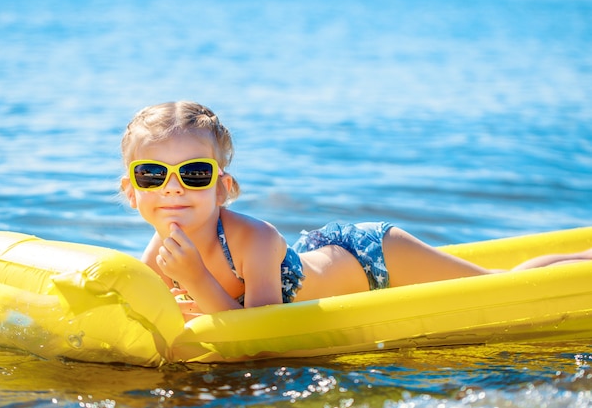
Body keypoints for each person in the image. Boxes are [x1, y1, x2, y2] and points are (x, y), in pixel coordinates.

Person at [120, 101, 592, 319]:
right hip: (319, 257)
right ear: (132, 192)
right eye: (152, 175)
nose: (173, 189)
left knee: (498, 286)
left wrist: (197, 282)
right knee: (492, 278)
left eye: (195, 173)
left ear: (222, 189)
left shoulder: (253, 239)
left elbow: (258, 334)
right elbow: (142, 306)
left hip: (373, 258)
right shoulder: (163, 243)